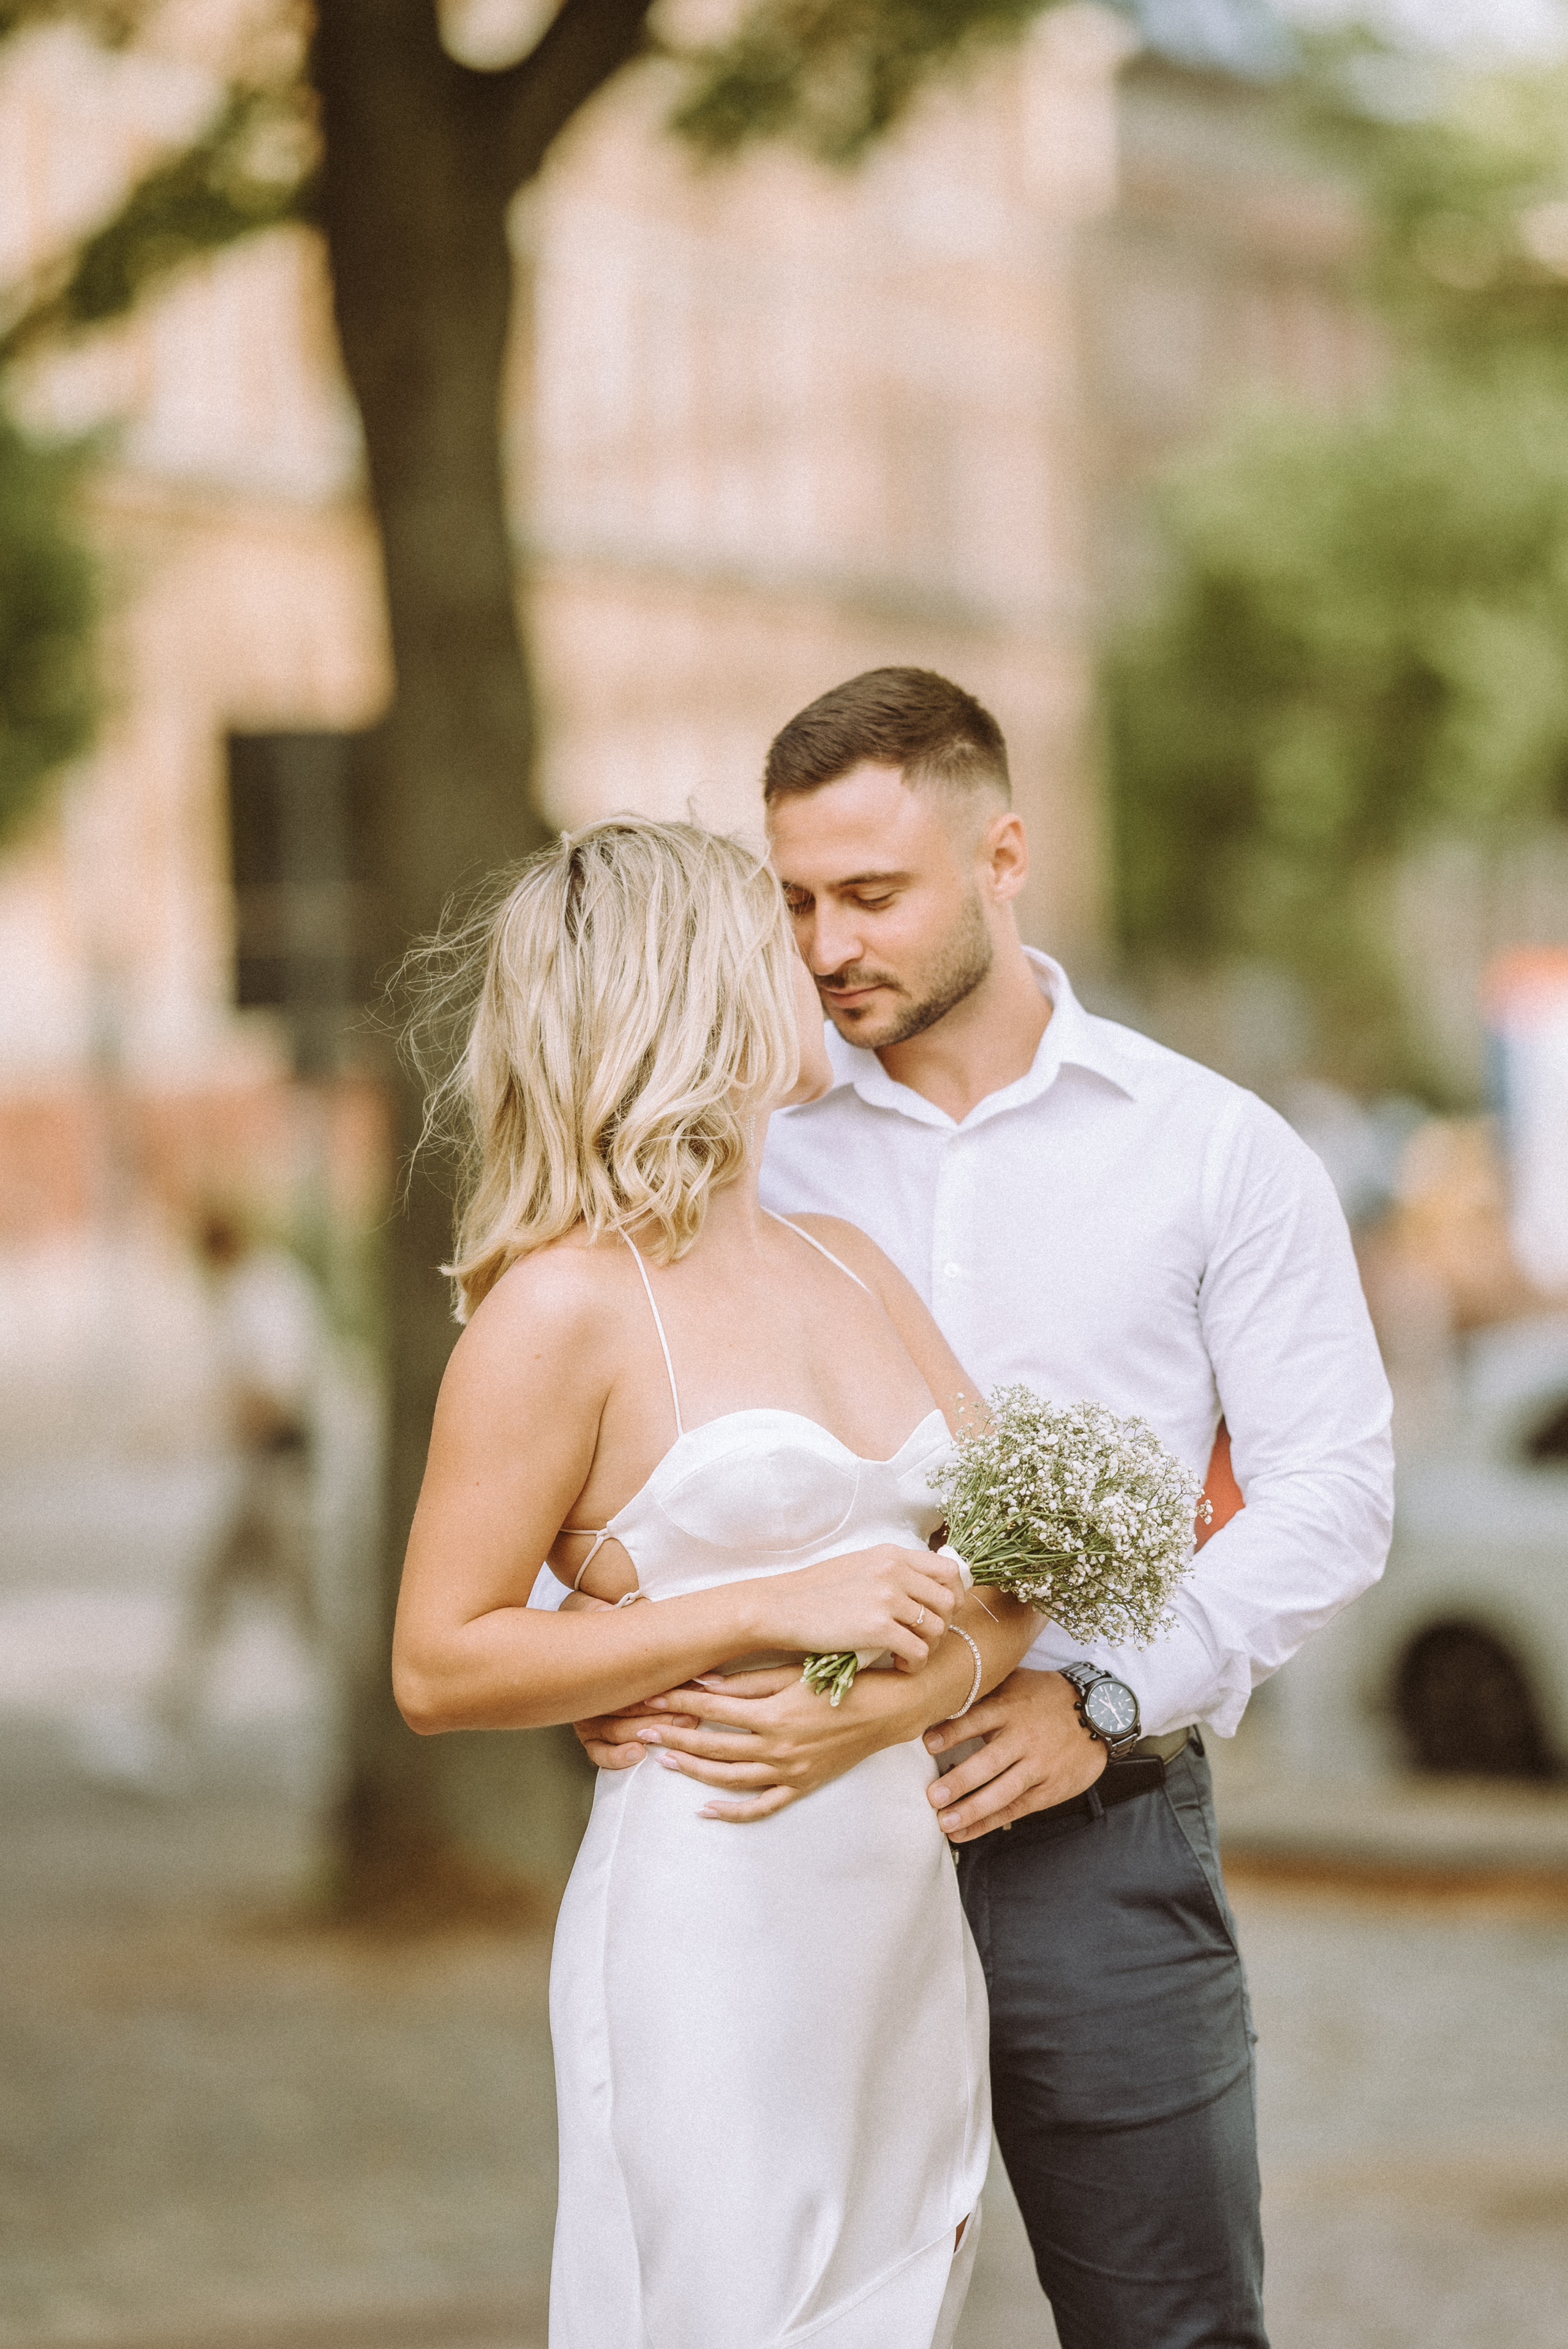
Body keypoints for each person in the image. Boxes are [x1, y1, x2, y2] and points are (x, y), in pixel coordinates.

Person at [573, 670, 1396, 2348]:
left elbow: (1333, 1492)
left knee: (1167, 2329)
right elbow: (585, 1416)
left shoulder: (1213, 1152)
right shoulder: (744, 1154)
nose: (821, 945)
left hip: (1097, 1837)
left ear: (1004, 854)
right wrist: (609, 1635)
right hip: (776, 1839)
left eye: (871, 895)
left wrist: (1105, 1695)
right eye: (794, 899)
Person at [390, 817, 1041, 2349]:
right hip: (713, 1916)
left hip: (899, 1916)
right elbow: (435, 1663)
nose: (819, 959)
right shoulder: (558, 1309)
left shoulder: (847, 1260)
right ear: (691, 988)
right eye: (777, 934)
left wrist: (906, 1701)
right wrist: (758, 1610)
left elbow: (1028, 1558)